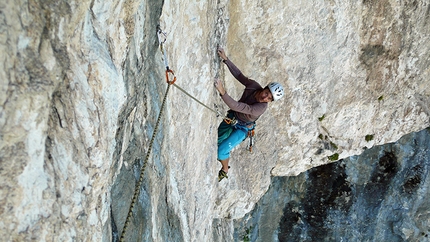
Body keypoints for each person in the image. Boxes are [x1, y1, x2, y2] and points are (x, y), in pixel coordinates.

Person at [214, 47, 285, 182]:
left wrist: (222, 91)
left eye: (269, 98)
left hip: (242, 129)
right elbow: (240, 76)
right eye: (266, 93)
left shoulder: (260, 108)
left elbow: (237, 106)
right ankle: (223, 161)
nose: (265, 98)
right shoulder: (253, 85)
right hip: (233, 118)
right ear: (264, 88)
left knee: (221, 150)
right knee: (216, 141)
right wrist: (226, 59)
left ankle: (225, 169)